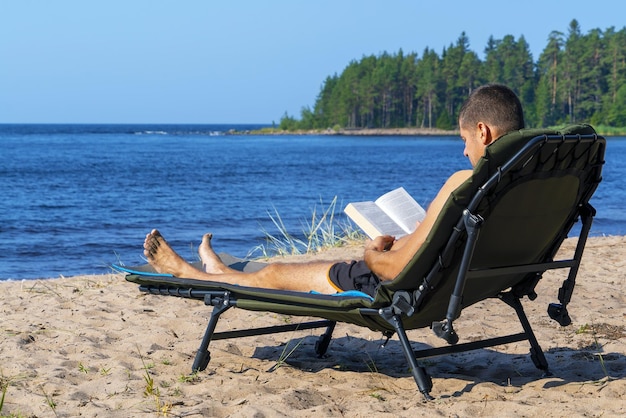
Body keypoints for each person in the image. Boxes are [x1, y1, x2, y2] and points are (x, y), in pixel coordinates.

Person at [142, 84, 525, 297]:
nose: (464, 150)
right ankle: (220, 269)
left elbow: (396, 269)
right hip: (466, 279)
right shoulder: (522, 181)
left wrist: (373, 253)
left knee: (272, 274)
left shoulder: (464, 181)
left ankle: (182, 270)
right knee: (279, 270)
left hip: (396, 282)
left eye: (464, 139)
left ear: (482, 131)